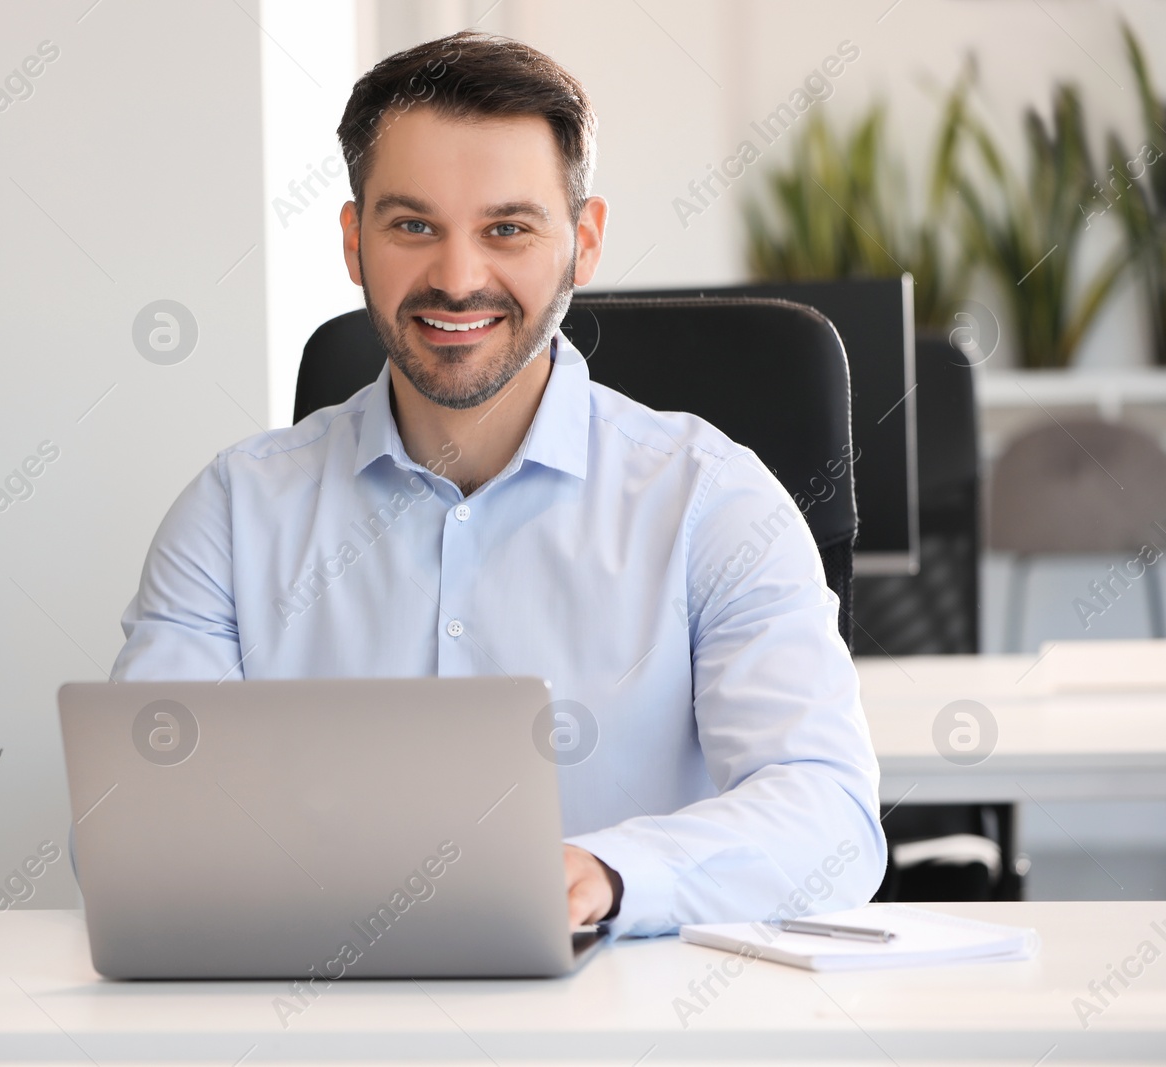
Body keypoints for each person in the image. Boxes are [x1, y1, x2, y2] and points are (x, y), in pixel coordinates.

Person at [113, 31, 884, 937]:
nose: (458, 277)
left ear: (583, 242)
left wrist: (609, 872)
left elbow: (830, 816)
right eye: (412, 226)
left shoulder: (714, 504)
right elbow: (133, 827)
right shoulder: (234, 514)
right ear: (355, 241)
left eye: (507, 228)